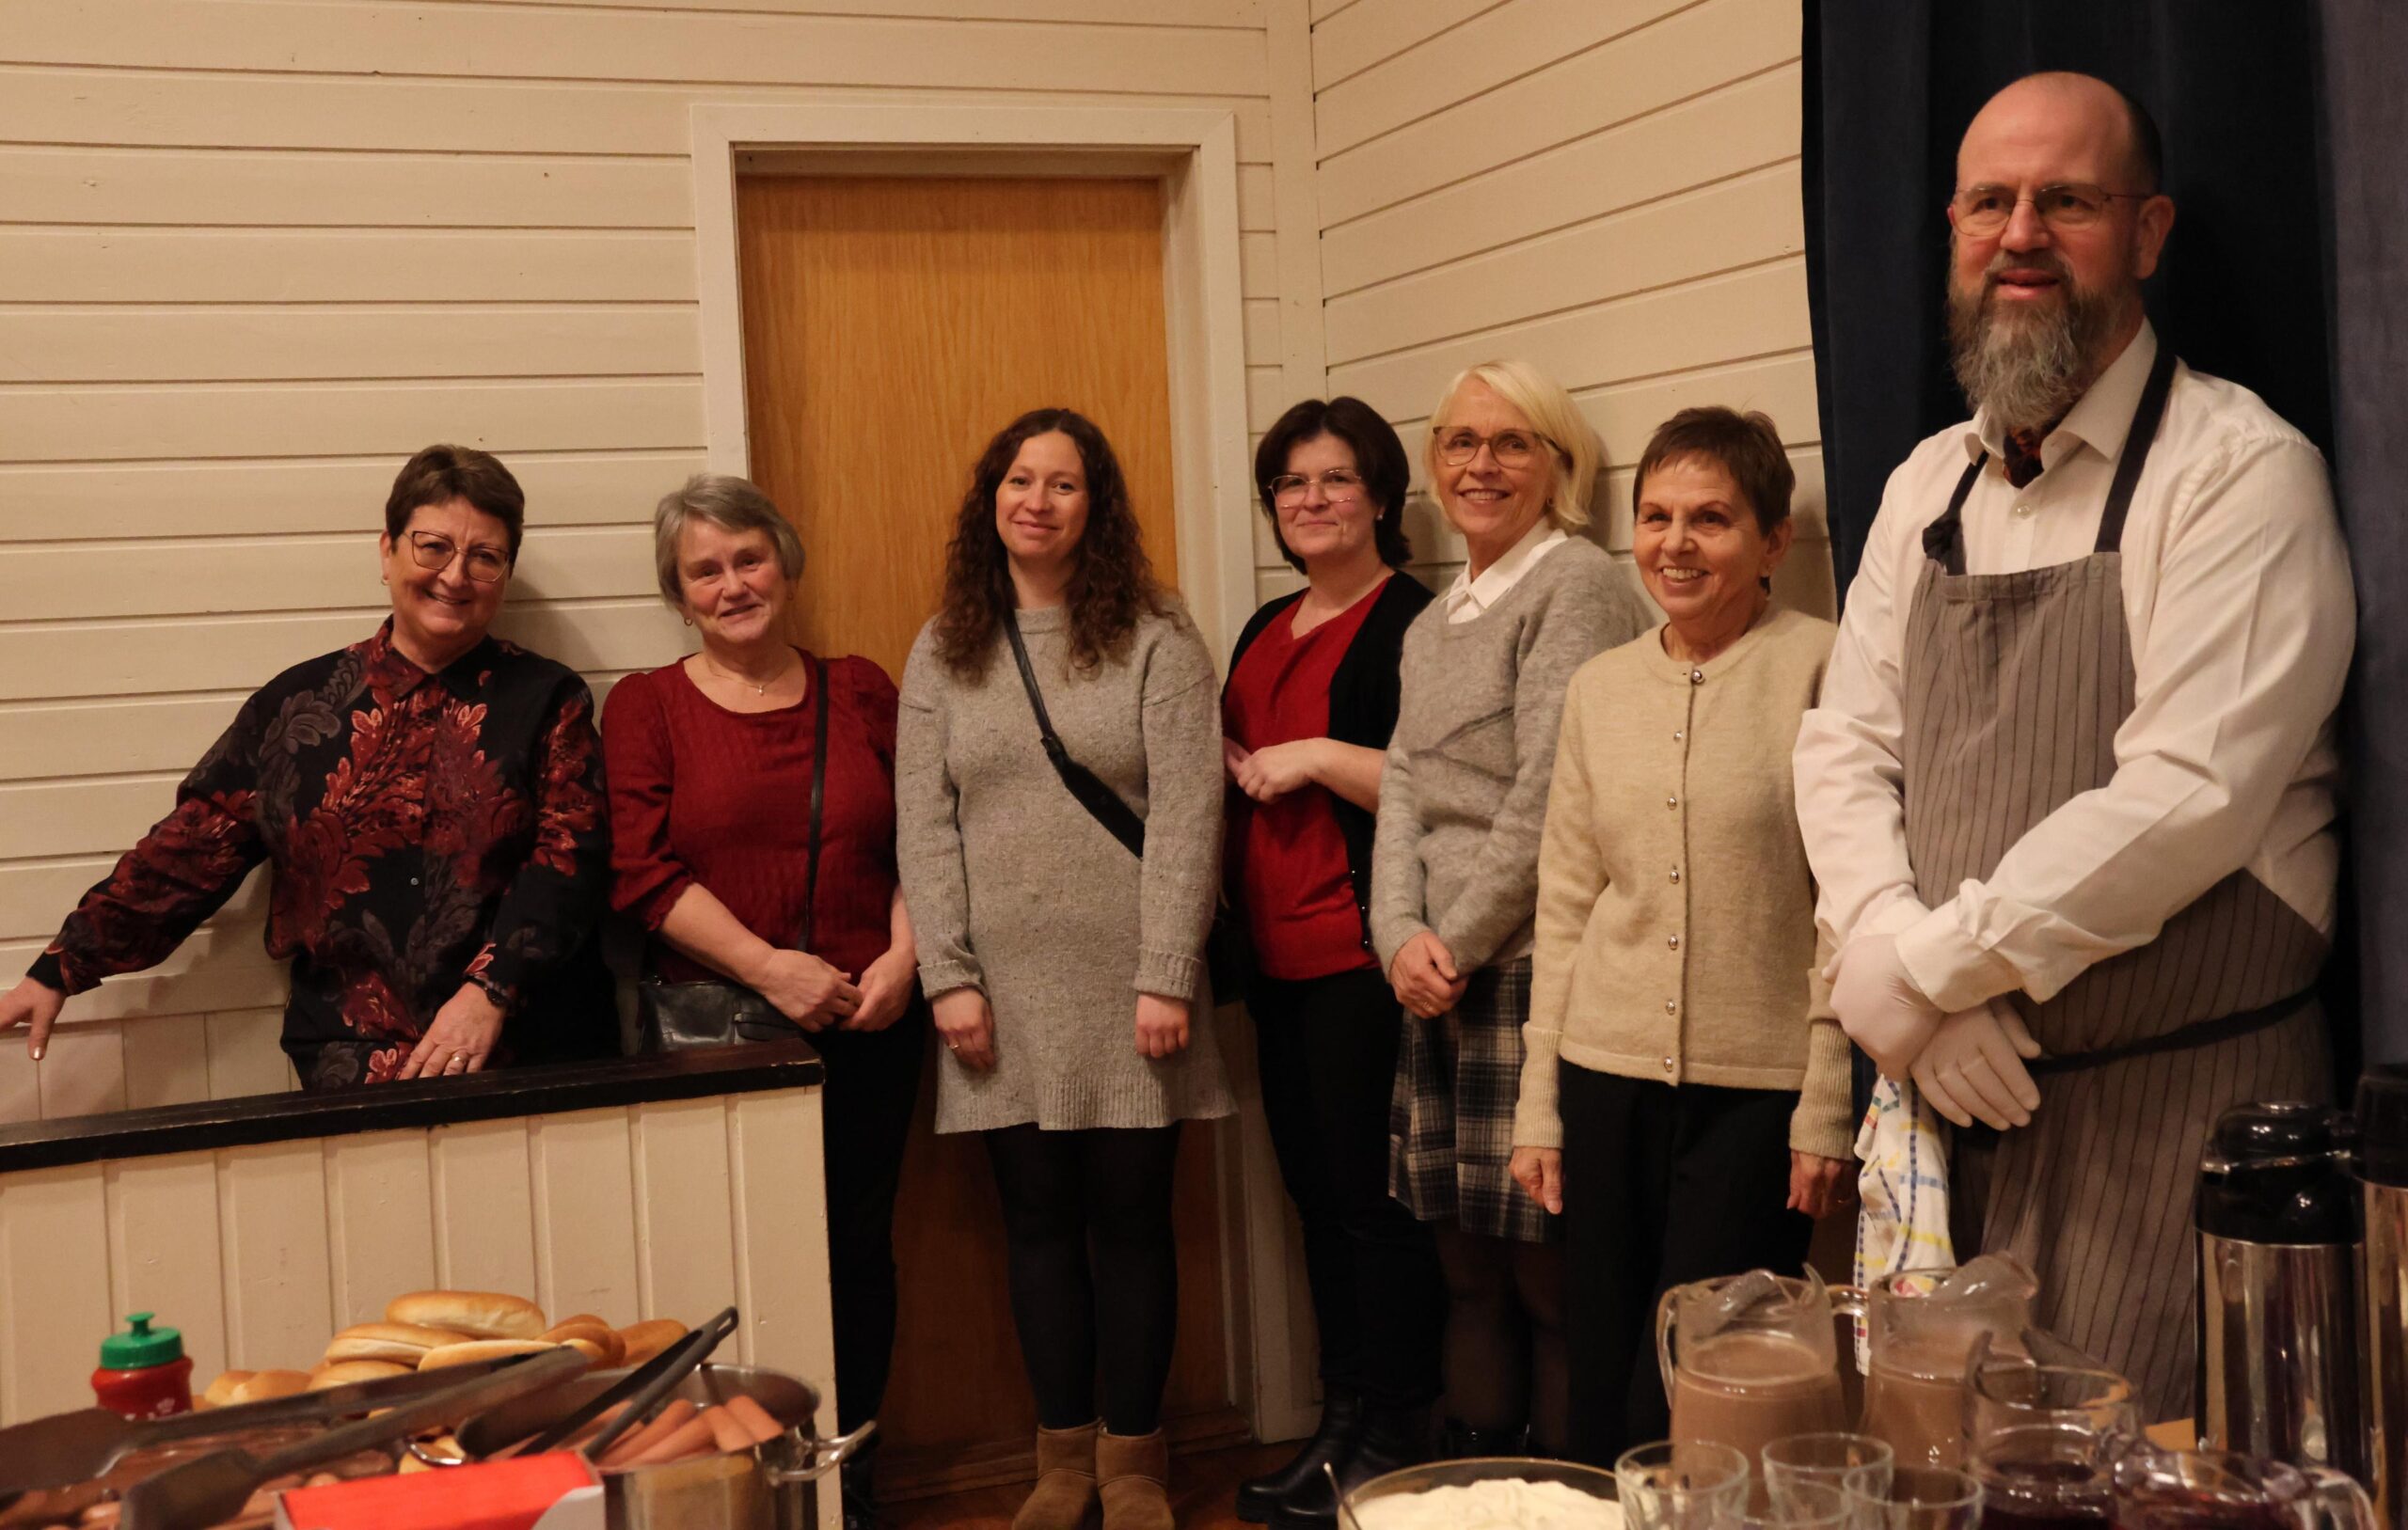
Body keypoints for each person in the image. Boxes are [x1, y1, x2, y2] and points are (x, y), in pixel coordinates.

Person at [1795, 71, 2354, 1420]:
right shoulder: (1924, 482)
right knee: (1935, 1479)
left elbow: (2190, 797)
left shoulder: (2240, 471)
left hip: (2180, 1132)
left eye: (2069, 201)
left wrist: (1917, 976)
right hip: (1949, 1120)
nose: (2022, 234)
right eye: (1990, 201)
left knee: (2150, 1487)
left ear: (2150, 232)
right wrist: (1888, 962)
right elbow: (1840, 745)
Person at [0, 445, 614, 1087]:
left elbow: (571, 858)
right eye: (433, 546)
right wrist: (62, 966)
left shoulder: (549, 699)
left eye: (484, 557)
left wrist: (491, 990)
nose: (455, 576)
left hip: (529, 1056)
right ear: (387, 550)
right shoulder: (296, 707)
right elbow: (190, 851)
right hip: (351, 1066)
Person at [895, 407, 1230, 1530]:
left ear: (1099, 506)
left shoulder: (1154, 632)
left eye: (1064, 483)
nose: (1036, 501)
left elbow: (1189, 811)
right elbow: (923, 826)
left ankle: (1135, 1463)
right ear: (990, 498)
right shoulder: (945, 646)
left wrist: (1166, 970)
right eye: (1018, 480)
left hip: (1135, 982)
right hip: (996, 991)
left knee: (1132, 1222)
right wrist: (946, 974)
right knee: (1035, 1223)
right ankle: (1061, 1460)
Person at [1509, 407, 1854, 1463]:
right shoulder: (1599, 687)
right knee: (1602, 1351)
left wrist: (1826, 1095)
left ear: (1772, 542)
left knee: (1716, 1370)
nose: (1675, 543)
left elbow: (1847, 899)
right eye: (1655, 517)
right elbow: (1565, 900)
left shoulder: (1824, 668)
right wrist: (1538, 1104)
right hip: (1601, 1071)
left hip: (1755, 1092)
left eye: (1710, 518)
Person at [600, 474, 922, 1530]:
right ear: (678, 592)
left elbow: (930, 833)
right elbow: (638, 872)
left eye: (747, 558)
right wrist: (767, 966)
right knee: (732, 1260)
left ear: (782, 563)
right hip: (720, 1035)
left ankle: (846, 1480)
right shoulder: (646, 706)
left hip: (871, 1025)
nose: (732, 583)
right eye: (706, 569)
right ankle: (739, 1490)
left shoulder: (864, 688)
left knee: (856, 1255)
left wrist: (904, 959)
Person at [1370, 360, 1652, 1458]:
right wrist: (1397, 937)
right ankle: (1478, 1481)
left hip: (1528, 973)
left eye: (1511, 442)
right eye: (1459, 442)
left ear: (1559, 464)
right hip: (1434, 979)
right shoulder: (1438, 616)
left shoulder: (1574, 585)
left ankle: (1567, 1489)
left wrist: (1457, 941)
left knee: (1548, 1278)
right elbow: (1400, 785)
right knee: (1464, 1273)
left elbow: (1549, 793)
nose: (1480, 465)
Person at [1223, 397, 1447, 1529]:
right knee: (1315, 1199)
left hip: (1363, 955)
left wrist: (1312, 754)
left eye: (1334, 480)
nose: (1309, 502)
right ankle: (1338, 1417)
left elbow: (1434, 778)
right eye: (1290, 485)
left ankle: (1394, 1435)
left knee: (1374, 1206)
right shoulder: (1266, 623)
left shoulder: (1415, 619)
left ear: (1381, 495)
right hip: (1274, 964)